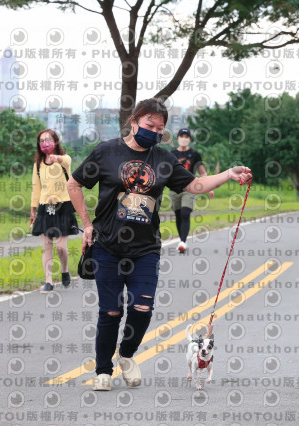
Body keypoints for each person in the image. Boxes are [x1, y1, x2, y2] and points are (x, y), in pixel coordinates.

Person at [67, 98, 252, 392]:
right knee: (110, 312)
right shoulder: (107, 152)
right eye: (149, 124)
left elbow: (195, 185)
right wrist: (87, 224)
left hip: (146, 248)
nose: (154, 131)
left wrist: (228, 174)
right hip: (107, 245)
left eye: (159, 128)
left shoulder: (163, 159)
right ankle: (103, 371)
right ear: (134, 121)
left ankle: (126, 355)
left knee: (142, 308)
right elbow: (74, 184)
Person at [30, 129, 78, 293]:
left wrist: (57, 158)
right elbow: (36, 188)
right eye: (42, 141)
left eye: (48, 140)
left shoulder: (65, 159)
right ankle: (48, 281)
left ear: (55, 141)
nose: (45, 143)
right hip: (45, 207)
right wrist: (33, 210)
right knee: (47, 245)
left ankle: (64, 270)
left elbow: (65, 160)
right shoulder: (38, 165)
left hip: (63, 206)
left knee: (61, 247)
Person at [170, 128, 213, 253]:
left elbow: (202, 172)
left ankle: (183, 242)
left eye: (186, 136)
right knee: (178, 215)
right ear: (178, 138)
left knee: (185, 212)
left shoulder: (194, 154)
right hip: (174, 189)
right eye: (182, 136)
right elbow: (166, 172)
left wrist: (209, 187)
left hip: (190, 188)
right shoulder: (172, 154)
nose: (184, 139)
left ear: (189, 139)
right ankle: (182, 240)